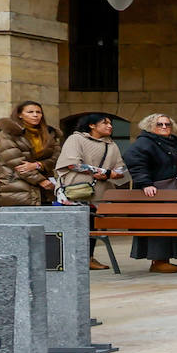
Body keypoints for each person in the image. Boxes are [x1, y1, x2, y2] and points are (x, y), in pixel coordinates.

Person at [122, 113, 177, 273]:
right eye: (159, 124)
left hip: (175, 191)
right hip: (155, 192)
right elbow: (134, 161)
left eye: (167, 124)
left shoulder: (176, 143)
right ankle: (158, 261)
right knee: (158, 223)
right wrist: (144, 183)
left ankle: (165, 259)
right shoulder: (144, 143)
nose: (164, 127)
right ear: (150, 127)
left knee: (172, 224)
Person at [56, 113, 127, 270]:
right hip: (76, 191)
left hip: (99, 193)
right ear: (92, 125)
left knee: (93, 227)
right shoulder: (76, 139)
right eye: (104, 123)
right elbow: (71, 164)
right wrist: (103, 171)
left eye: (110, 123)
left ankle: (89, 258)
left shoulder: (112, 145)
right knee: (73, 227)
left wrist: (112, 173)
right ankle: (69, 260)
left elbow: (120, 168)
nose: (110, 126)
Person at [0, 100, 62, 209]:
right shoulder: (8, 132)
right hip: (16, 188)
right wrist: (41, 180)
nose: (35, 115)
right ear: (20, 115)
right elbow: (16, 162)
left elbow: (56, 157)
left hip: (45, 191)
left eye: (38, 112)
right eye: (30, 112)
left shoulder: (50, 133)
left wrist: (38, 165)